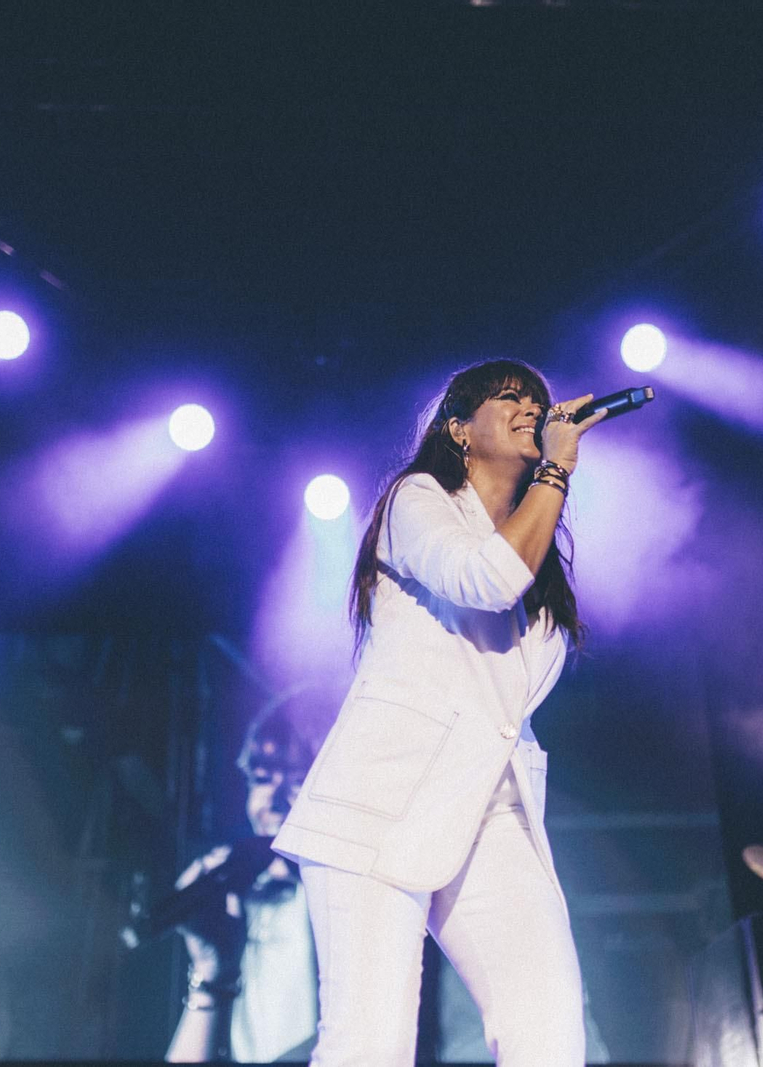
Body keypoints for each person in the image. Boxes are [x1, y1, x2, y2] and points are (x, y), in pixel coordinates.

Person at [271, 359, 606, 1067]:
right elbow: (482, 579)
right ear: (459, 427)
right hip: (380, 804)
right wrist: (555, 473)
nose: (530, 406)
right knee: (370, 1047)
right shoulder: (417, 498)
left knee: (548, 1028)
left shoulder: (533, 550)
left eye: (537, 400)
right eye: (508, 396)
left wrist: (547, 488)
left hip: (486, 801)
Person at [165, 706, 319, 1063]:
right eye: (261, 779)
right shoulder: (238, 907)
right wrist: (211, 973)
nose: (273, 802)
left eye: (296, 781)